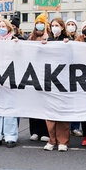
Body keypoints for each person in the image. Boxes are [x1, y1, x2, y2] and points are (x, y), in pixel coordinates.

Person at [0, 19, 19, 148]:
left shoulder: (15, 40)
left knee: (10, 108)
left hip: (11, 77)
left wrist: (19, 45)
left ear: (8, 28)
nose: (1, 28)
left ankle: (10, 136)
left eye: (4, 26)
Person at [43, 17, 71, 152]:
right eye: (52, 25)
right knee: (50, 113)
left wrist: (68, 45)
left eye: (57, 25)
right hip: (50, 79)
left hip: (64, 80)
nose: (54, 27)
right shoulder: (47, 41)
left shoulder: (67, 40)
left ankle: (63, 141)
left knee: (62, 112)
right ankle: (51, 139)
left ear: (62, 27)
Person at [26, 14, 50, 142]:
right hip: (32, 73)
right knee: (33, 104)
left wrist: (48, 41)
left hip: (45, 74)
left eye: (42, 23)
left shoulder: (49, 38)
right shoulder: (30, 38)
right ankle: (34, 131)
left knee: (44, 104)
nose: (39, 25)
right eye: (37, 23)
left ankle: (45, 131)